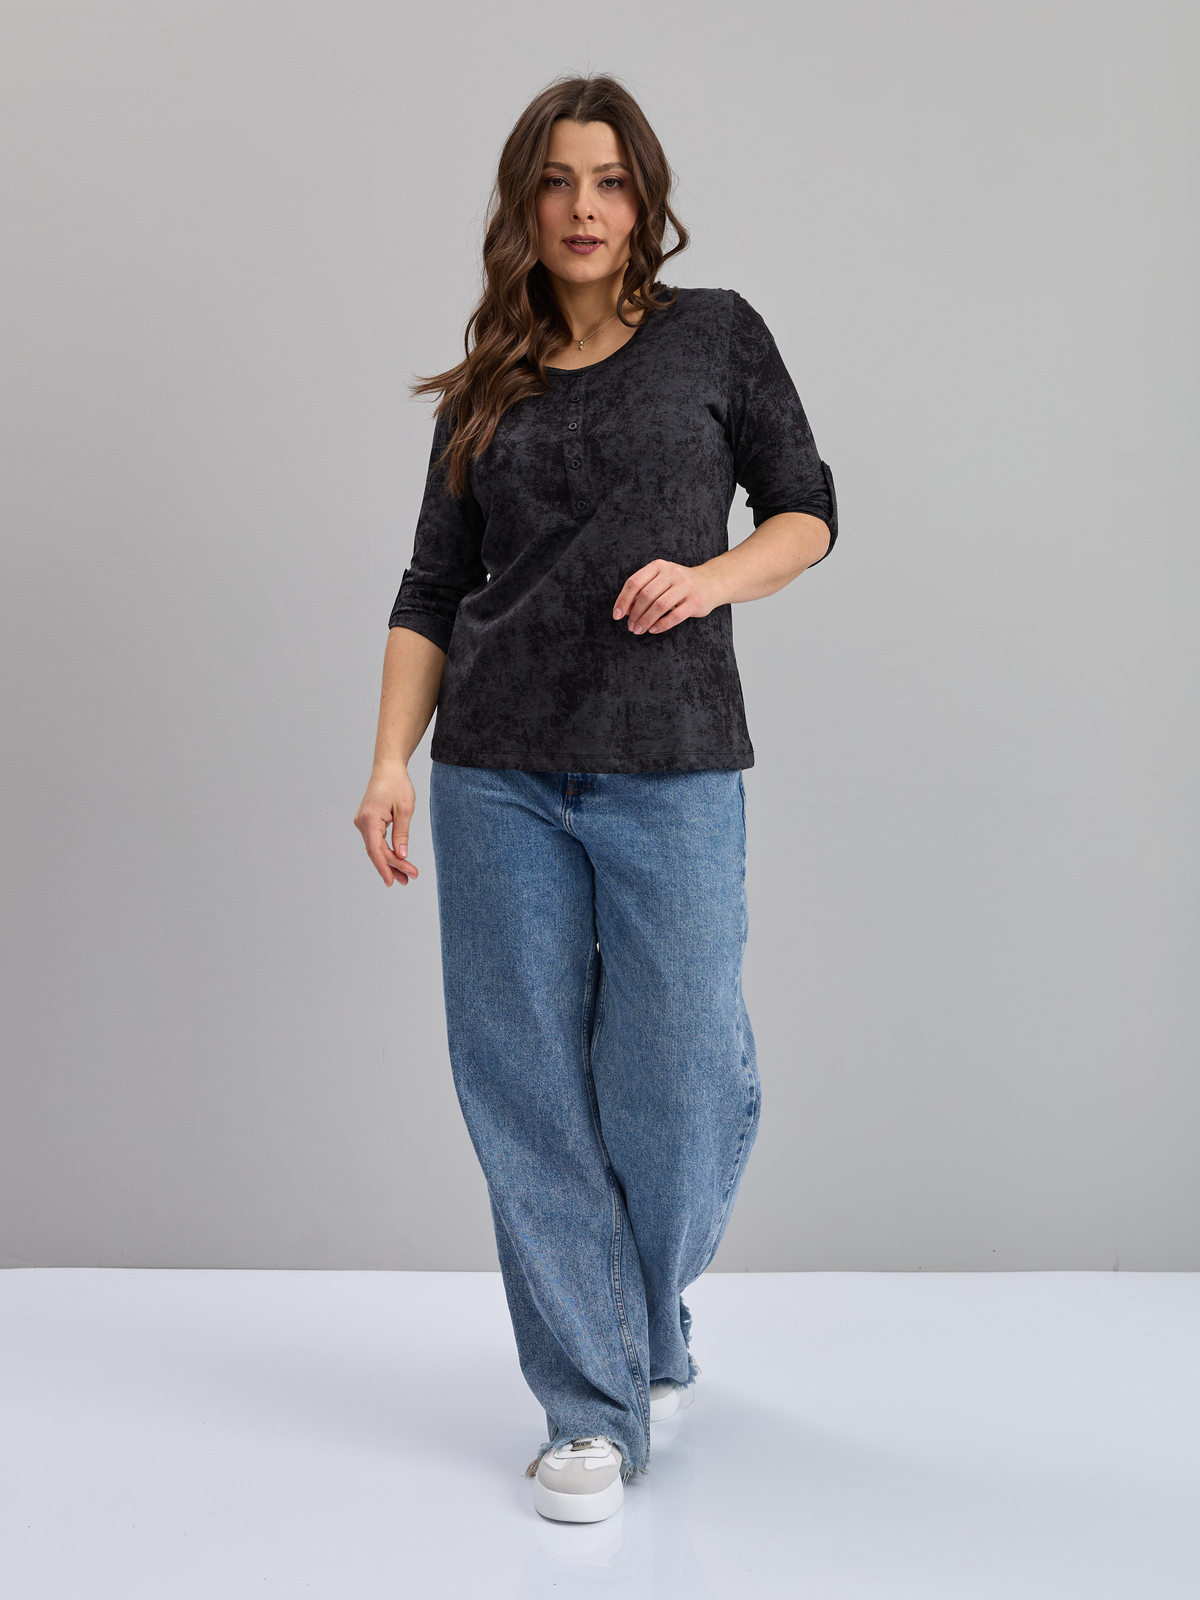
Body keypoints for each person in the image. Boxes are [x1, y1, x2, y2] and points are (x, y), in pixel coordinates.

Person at [354, 74, 836, 1524]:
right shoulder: (487, 385)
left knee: (680, 1078)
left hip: (671, 760)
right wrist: (388, 761)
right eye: (558, 180)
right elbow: (432, 589)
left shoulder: (717, 335)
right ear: (526, 202)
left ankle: (637, 1320)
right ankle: (589, 1405)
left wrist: (713, 578)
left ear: (645, 200)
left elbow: (807, 508)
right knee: (523, 1086)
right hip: (496, 770)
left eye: (611, 180)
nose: (584, 207)